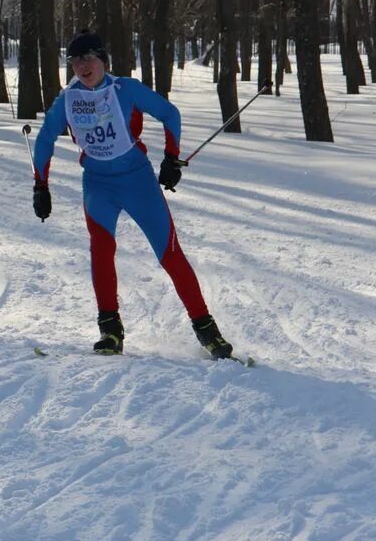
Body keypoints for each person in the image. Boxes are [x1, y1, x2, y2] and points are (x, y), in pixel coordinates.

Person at [31, 30, 234, 359]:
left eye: (89, 58)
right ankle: (110, 330)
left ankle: (207, 329)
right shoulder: (67, 99)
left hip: (138, 182)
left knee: (169, 254)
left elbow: (170, 113)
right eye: (75, 60)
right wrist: (41, 184)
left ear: (103, 61)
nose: (83, 66)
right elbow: (43, 139)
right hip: (97, 184)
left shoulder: (125, 90)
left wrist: (171, 157)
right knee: (101, 251)